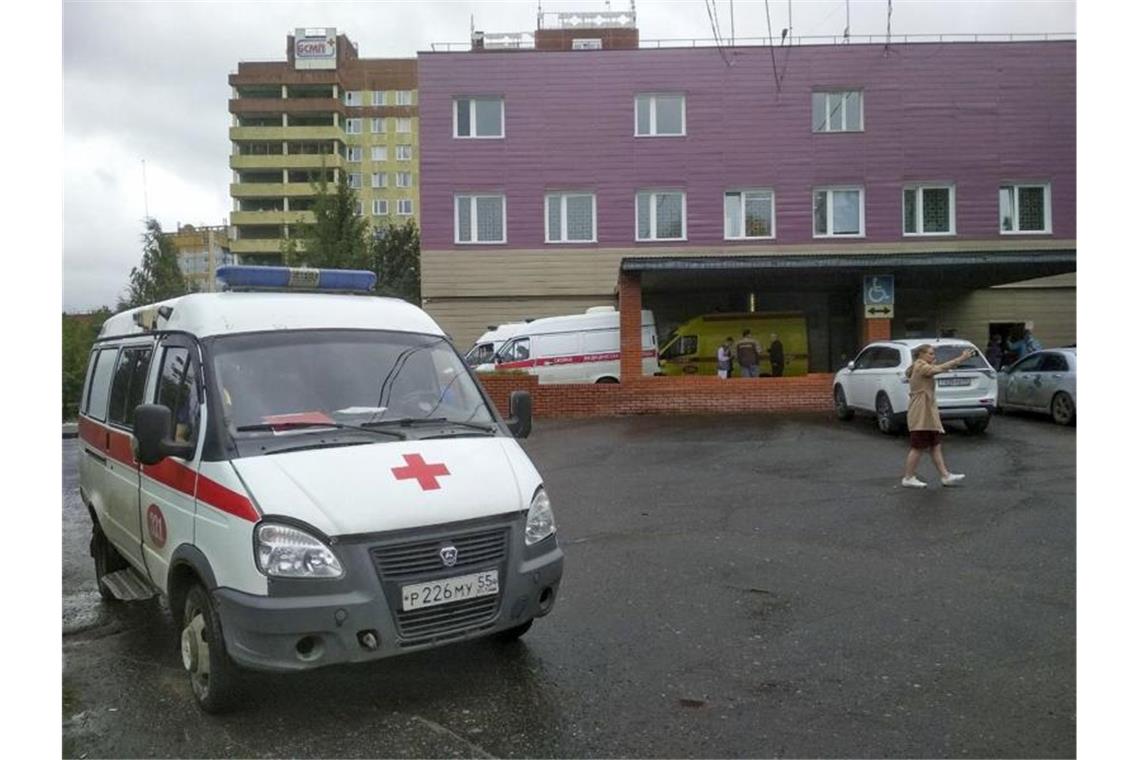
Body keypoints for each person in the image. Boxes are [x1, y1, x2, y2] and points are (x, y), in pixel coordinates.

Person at [901, 344, 976, 488]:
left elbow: (937, 368)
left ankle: (945, 476)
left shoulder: (922, 365)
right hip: (921, 413)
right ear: (921, 355)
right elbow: (939, 369)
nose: (933, 356)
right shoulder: (920, 367)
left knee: (935, 445)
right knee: (917, 446)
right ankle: (908, 477)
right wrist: (961, 358)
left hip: (928, 413)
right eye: (930, 353)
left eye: (933, 353)